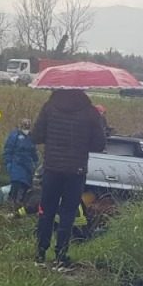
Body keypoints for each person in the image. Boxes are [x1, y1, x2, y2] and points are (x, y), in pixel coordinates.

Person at [31, 89, 107, 270]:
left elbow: (36, 136)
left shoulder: (49, 107)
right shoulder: (90, 112)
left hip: (52, 168)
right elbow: (99, 144)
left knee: (46, 211)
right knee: (67, 213)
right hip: (76, 170)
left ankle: (40, 255)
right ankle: (61, 257)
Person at [3, 118, 39, 210]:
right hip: (16, 162)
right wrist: (8, 162)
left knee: (26, 185)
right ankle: (11, 202)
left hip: (27, 165)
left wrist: (35, 161)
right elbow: (8, 149)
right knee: (16, 183)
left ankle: (21, 204)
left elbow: (33, 151)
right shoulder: (15, 136)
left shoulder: (31, 137)